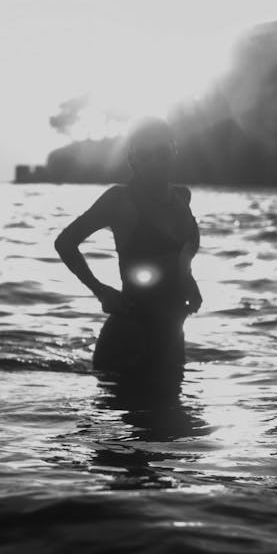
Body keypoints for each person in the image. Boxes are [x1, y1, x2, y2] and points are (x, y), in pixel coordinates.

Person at [54, 117, 202, 397]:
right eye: (146, 155)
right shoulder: (120, 200)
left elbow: (182, 250)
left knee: (178, 434)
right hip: (129, 338)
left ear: (174, 151)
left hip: (172, 335)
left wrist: (189, 281)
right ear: (133, 159)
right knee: (135, 436)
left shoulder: (182, 197)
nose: (156, 162)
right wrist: (101, 292)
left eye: (162, 152)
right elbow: (65, 242)